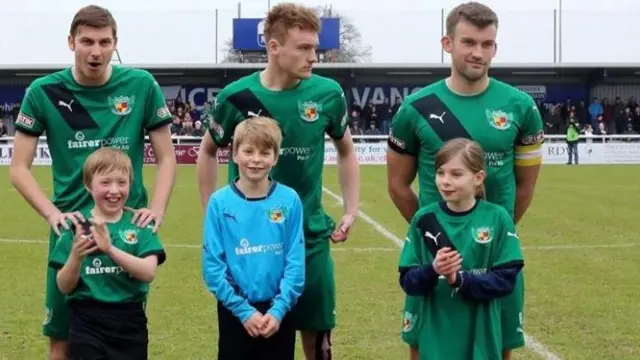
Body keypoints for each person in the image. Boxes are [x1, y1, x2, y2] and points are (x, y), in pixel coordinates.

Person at [8, 5, 177, 360]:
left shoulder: (140, 85)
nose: (95, 51)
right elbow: (19, 167)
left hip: (125, 228)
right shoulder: (43, 91)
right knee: (62, 341)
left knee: (124, 335)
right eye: (86, 41)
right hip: (72, 230)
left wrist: (157, 211)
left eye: (104, 42)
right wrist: (53, 215)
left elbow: (166, 156)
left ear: (116, 44)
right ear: (71, 42)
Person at [196, 4, 360, 359]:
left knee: (318, 340)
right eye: (303, 48)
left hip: (311, 235)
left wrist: (351, 209)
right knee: (255, 339)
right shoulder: (235, 97)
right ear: (273, 47)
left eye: (315, 47)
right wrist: (211, 210)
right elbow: (208, 151)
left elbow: (346, 150)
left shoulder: (328, 93)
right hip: (250, 239)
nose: (314, 56)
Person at [386, 3, 544, 360]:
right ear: (447, 43)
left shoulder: (520, 107)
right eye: (469, 42)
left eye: (487, 44)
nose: (478, 52)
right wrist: (432, 231)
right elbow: (397, 186)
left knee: (498, 348)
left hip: (494, 255)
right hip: (436, 260)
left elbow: (525, 187)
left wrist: (492, 233)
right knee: (425, 349)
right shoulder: (415, 108)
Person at [398, 138, 525, 360]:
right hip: (436, 330)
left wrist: (461, 279)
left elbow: (506, 280)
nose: (445, 181)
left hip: (481, 330)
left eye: (456, 174)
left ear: (478, 178)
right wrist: (433, 269)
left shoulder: (497, 218)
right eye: (440, 173)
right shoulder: (425, 219)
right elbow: (408, 280)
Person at [202, 117, 305, 360]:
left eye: (264, 152)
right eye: (248, 151)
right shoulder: (219, 202)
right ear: (235, 155)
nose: (256, 159)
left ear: (275, 157)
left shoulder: (289, 200)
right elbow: (212, 267)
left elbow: (296, 263)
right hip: (235, 311)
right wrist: (243, 310)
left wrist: (279, 310)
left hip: (278, 313)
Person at [49, 147, 167, 360]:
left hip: (129, 322)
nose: (114, 190)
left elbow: (148, 272)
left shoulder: (139, 224)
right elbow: (64, 286)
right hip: (85, 321)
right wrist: (76, 256)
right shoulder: (76, 226)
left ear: (130, 185)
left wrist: (110, 249)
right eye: (105, 183)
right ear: (88, 185)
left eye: (122, 183)